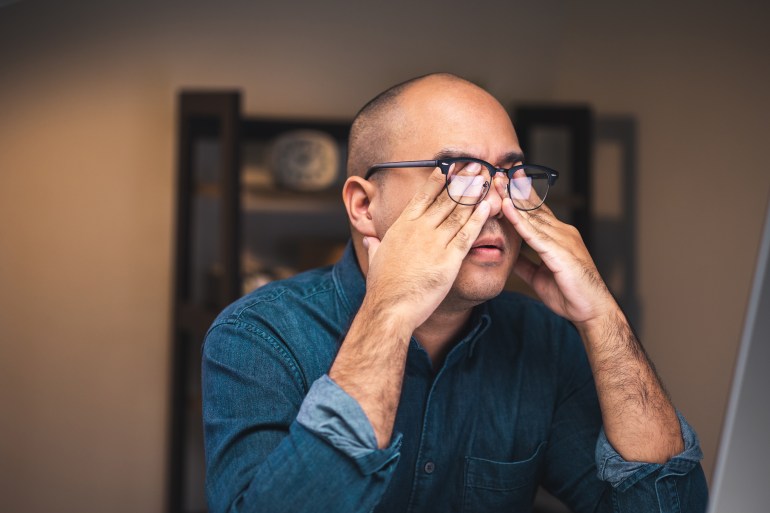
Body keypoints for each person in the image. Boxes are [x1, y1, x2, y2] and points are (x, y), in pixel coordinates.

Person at [202, 73, 708, 513]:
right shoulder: (257, 337)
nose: (494, 205)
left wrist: (601, 315)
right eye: (459, 175)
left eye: (510, 176)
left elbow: (665, 505)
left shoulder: (545, 344)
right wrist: (390, 311)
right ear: (362, 205)